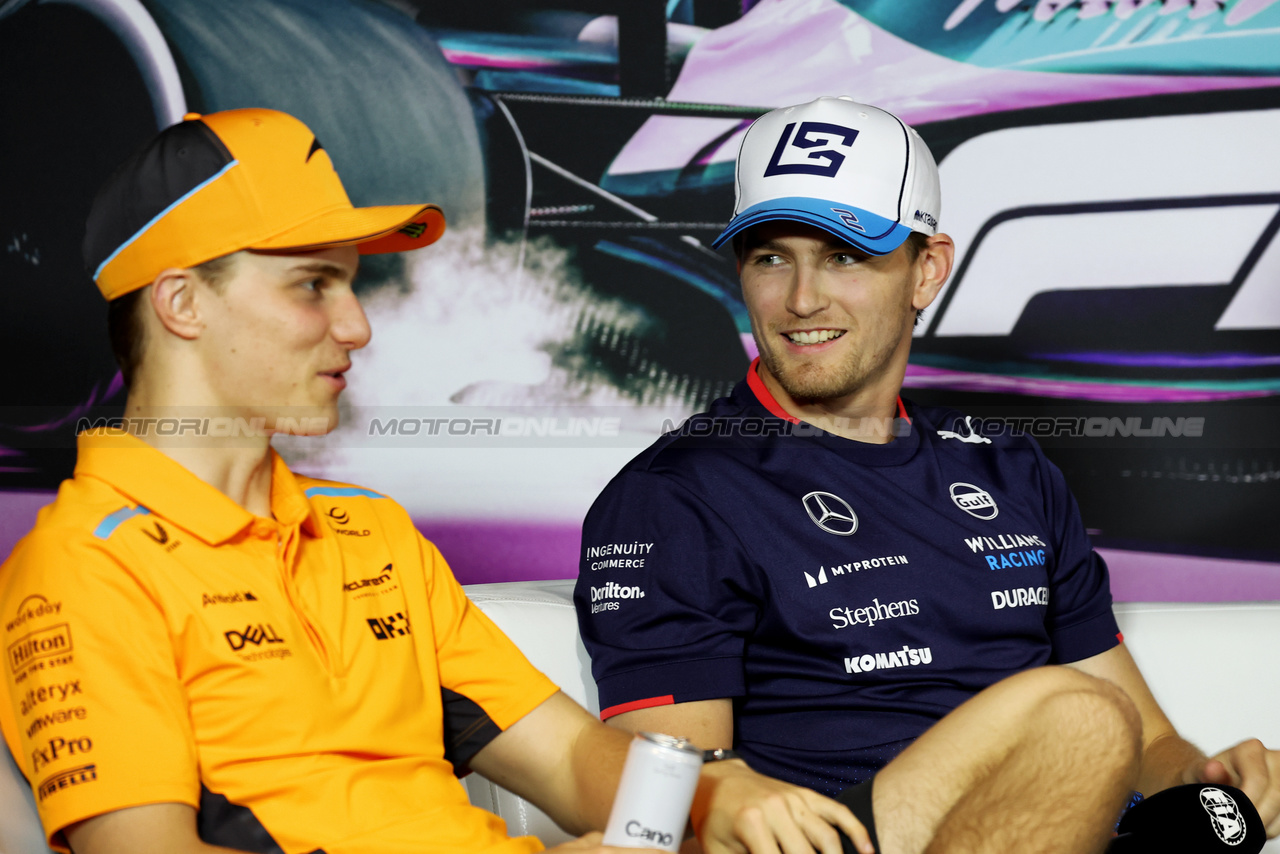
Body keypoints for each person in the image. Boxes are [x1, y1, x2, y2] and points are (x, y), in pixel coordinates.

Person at [0, 108, 873, 854]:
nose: (357, 325)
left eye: (353, 282)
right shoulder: (83, 568)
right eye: (313, 284)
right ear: (182, 303)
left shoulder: (367, 532)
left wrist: (722, 799)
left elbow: (571, 765)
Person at [574, 97, 1280, 853]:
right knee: (1077, 713)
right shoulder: (674, 496)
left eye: (844, 255)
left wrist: (1215, 776)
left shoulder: (1009, 467)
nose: (801, 299)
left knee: (1202, 808)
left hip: (1056, 828)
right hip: (844, 841)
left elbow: (1149, 747)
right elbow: (677, 813)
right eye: (771, 256)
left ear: (928, 270)